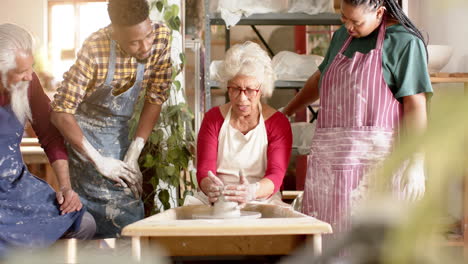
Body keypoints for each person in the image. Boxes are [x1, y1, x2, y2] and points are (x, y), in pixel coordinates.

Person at [282, 0, 432, 241]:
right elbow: (320, 78)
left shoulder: (404, 43)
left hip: (376, 170)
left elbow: (416, 105)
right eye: (344, 18)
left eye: (356, 22)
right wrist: (287, 110)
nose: (348, 27)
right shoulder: (342, 36)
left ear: (380, 12)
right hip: (330, 172)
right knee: (328, 245)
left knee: (372, 247)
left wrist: (416, 160)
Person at [50, 0, 172, 238]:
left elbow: (156, 97)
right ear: (115, 33)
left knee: (129, 209)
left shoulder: (161, 37)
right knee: (97, 218)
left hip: (120, 132)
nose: (145, 46)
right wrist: (98, 160)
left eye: (147, 36)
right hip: (85, 138)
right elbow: (60, 112)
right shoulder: (95, 48)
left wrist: (135, 151)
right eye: (134, 42)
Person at [0, 23, 95, 257]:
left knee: (85, 224)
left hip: (15, 187)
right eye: (22, 70)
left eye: (30, 66)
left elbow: (50, 136)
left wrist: (65, 187)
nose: (30, 75)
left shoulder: (28, 84)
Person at [192, 41, 292, 207]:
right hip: (218, 201)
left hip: (261, 200)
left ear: (261, 88)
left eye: (250, 90)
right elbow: (204, 171)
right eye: (235, 89)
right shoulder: (213, 119)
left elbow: (276, 175)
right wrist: (211, 187)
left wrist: (251, 191)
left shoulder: (278, 123)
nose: (241, 98)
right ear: (227, 87)